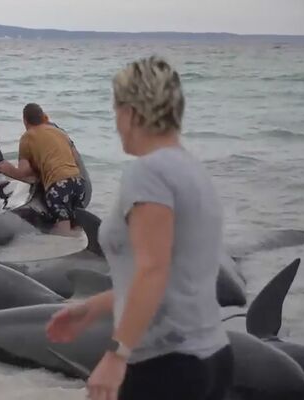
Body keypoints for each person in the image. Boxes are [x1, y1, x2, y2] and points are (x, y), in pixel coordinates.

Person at [45, 56, 233, 400]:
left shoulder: (147, 172)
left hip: (164, 366)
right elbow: (174, 280)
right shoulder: (193, 172)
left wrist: (117, 355)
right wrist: (92, 308)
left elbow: (153, 271)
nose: (116, 122)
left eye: (117, 110)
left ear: (131, 113)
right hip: (211, 358)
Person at [14, 103, 87, 236]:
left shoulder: (27, 137)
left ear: (25, 120)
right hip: (79, 183)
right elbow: (76, 157)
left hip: (58, 185)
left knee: (62, 229)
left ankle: (62, 253)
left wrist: (6, 169)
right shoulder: (60, 132)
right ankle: (80, 253)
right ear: (43, 117)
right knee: (76, 227)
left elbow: (23, 171)